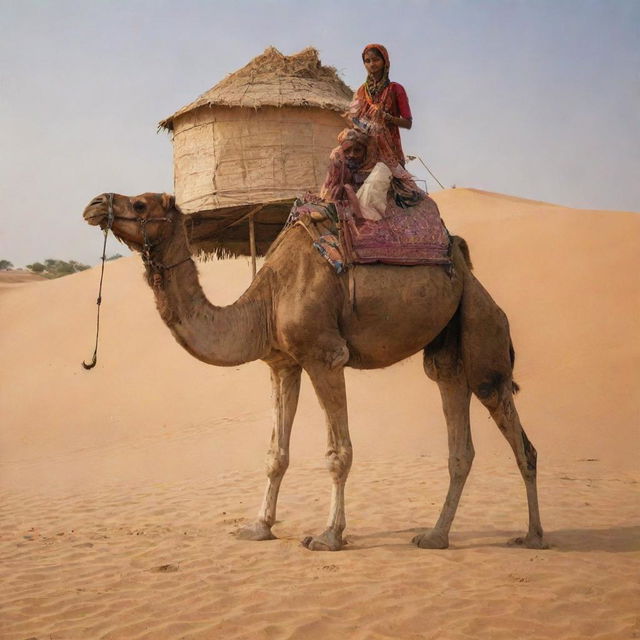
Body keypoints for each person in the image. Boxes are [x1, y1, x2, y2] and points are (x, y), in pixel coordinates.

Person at [349, 44, 412, 168]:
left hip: (390, 150)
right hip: (365, 147)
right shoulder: (361, 91)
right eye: (367, 61)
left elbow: (408, 123)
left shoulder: (396, 89)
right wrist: (361, 123)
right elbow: (355, 119)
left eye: (376, 60)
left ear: (385, 62)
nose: (372, 64)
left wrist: (386, 117)